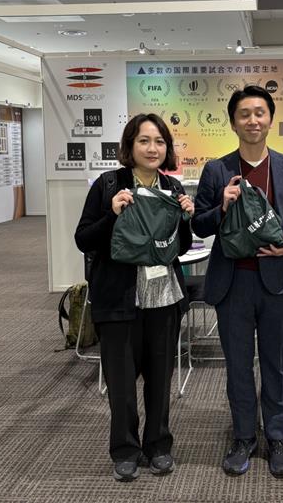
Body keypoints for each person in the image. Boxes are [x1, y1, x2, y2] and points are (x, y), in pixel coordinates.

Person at [191, 84, 283, 478]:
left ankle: (277, 437)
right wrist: (222, 207)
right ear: (233, 122)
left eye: (260, 113)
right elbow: (199, 225)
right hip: (233, 285)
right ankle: (244, 436)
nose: (253, 120)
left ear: (270, 119)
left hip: (278, 284)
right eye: (244, 114)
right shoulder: (216, 170)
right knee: (238, 367)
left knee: (275, 366)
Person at [74, 113, 194, 481]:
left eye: (159, 141)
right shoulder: (108, 184)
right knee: (121, 384)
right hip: (118, 300)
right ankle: (125, 449)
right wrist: (112, 214)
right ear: (130, 146)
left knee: (160, 381)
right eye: (144, 140)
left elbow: (179, 248)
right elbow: (83, 239)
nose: (152, 148)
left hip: (163, 299)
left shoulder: (172, 187)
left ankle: (158, 445)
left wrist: (185, 219)